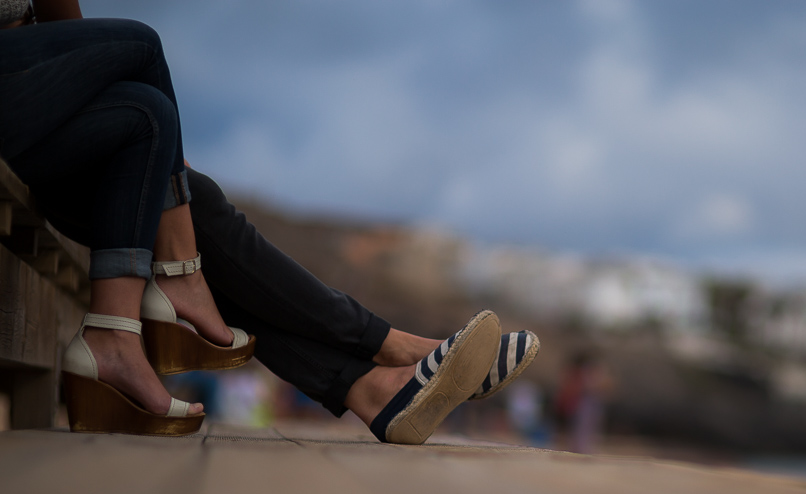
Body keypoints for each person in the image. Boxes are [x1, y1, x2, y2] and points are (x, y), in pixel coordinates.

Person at [0, 2, 538, 442]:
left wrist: (170, 171)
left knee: (152, 121)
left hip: (40, 113)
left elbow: (59, 19)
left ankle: (372, 388)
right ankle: (394, 346)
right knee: (143, 48)